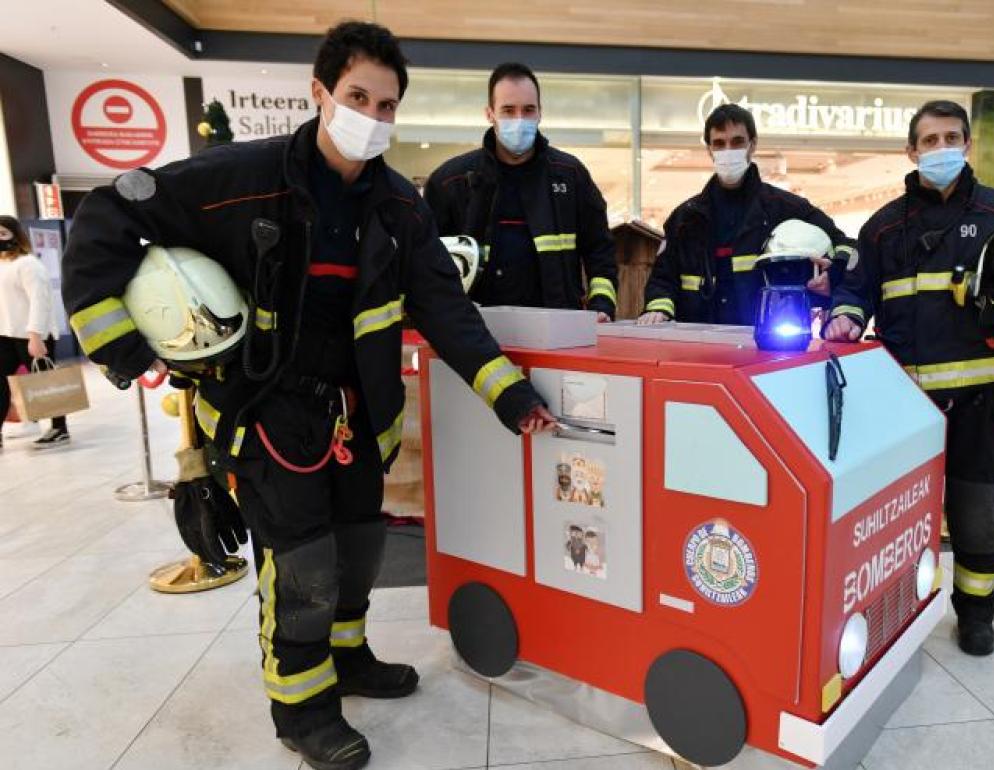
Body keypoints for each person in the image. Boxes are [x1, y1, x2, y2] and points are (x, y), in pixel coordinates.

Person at [61, 22, 554, 770]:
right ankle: (302, 708)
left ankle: (348, 659)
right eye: (358, 97)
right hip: (266, 415)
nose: (373, 117)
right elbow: (107, 214)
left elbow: (444, 307)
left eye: (388, 106)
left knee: (358, 551)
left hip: (357, 417)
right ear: (320, 92)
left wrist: (511, 396)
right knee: (303, 569)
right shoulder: (242, 177)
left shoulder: (398, 206)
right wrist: (126, 348)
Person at [821, 101, 994, 657]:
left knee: (975, 516)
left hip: (978, 404)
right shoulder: (883, 227)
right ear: (911, 150)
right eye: (929, 139)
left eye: (951, 137)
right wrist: (845, 315)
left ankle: (975, 614)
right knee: (890, 520)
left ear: (966, 145)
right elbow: (855, 290)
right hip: (901, 411)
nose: (940, 148)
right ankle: (891, 613)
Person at [425, 63, 618, 321]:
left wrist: (602, 305)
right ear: (490, 113)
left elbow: (600, 250)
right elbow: (426, 263)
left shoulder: (571, 176)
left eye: (528, 110)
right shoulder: (450, 182)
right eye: (508, 110)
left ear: (540, 113)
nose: (519, 120)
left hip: (557, 331)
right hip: (474, 334)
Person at [638, 104, 855, 326]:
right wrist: (658, 308)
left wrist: (834, 273)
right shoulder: (685, 218)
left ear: (753, 144)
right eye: (719, 144)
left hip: (762, 342)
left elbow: (846, 245)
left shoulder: (784, 208)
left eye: (737, 142)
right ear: (709, 150)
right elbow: (662, 278)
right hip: (698, 344)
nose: (728, 151)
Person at [0, 215, 70, 450]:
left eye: (3, 234)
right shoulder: (2, 264)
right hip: (6, 334)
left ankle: (59, 428)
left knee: (46, 382)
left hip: (32, 333)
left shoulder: (29, 264)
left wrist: (35, 336)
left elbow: (40, 301)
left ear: (15, 236)